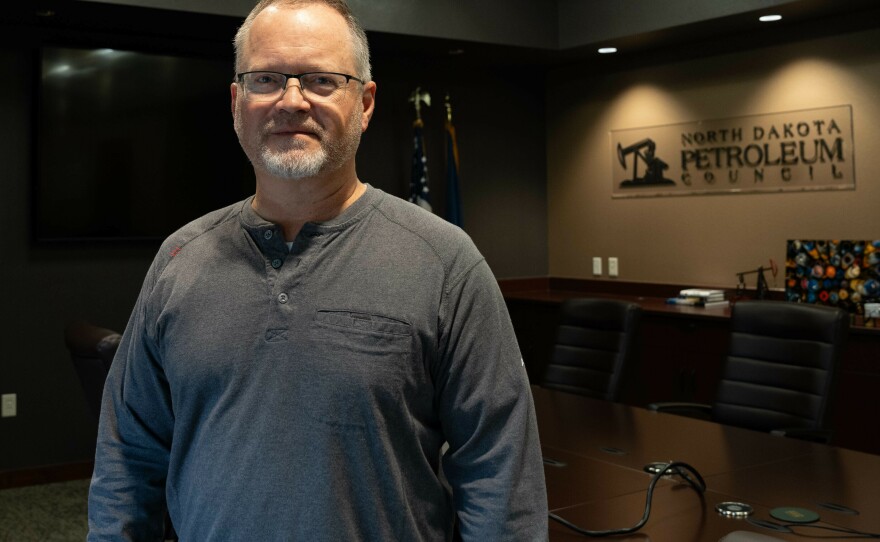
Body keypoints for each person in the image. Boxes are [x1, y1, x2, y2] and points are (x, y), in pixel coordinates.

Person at [87, 0, 548, 540]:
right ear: (237, 101)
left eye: (322, 80)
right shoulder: (179, 260)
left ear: (366, 102)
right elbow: (126, 464)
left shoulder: (445, 262)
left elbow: (501, 477)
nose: (291, 100)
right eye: (265, 79)